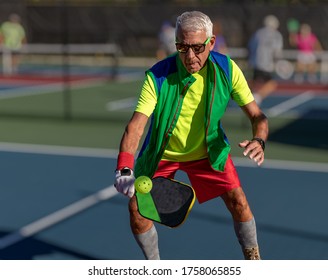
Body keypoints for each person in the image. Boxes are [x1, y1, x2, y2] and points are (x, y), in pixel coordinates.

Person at [114, 11, 268, 260]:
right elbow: (136, 127)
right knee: (137, 211)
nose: (190, 56)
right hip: (162, 154)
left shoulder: (227, 69)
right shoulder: (158, 76)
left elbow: (257, 116)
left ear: (211, 42)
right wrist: (123, 167)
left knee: (239, 202)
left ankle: (254, 261)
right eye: (182, 48)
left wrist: (259, 139)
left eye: (197, 47)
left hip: (208, 151)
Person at [248, 15, 283, 105]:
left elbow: (251, 47)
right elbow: (277, 52)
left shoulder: (258, 33)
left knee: (255, 82)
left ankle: (235, 90)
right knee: (272, 84)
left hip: (256, 62)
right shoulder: (277, 35)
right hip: (267, 65)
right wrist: (277, 63)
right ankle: (258, 96)